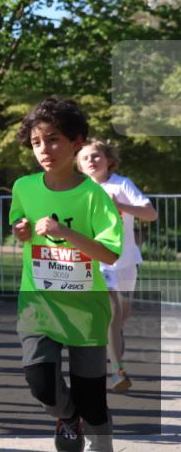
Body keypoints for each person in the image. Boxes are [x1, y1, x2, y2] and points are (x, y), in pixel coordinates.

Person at [11, 97, 122, 452]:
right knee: (40, 383)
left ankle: (99, 437)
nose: (44, 149)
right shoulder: (24, 187)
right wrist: (22, 232)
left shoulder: (94, 196)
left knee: (92, 397)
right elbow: (19, 225)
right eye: (36, 142)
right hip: (38, 305)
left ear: (77, 141)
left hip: (84, 309)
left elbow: (110, 252)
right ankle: (68, 417)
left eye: (54, 139)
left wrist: (65, 232)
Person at [77, 140, 157, 393]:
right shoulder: (79, 190)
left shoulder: (121, 185)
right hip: (98, 261)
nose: (91, 160)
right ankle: (117, 371)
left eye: (96, 155)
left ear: (108, 159)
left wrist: (119, 205)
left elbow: (150, 214)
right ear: (79, 165)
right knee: (111, 311)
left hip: (126, 261)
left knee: (120, 320)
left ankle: (111, 360)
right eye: (85, 157)